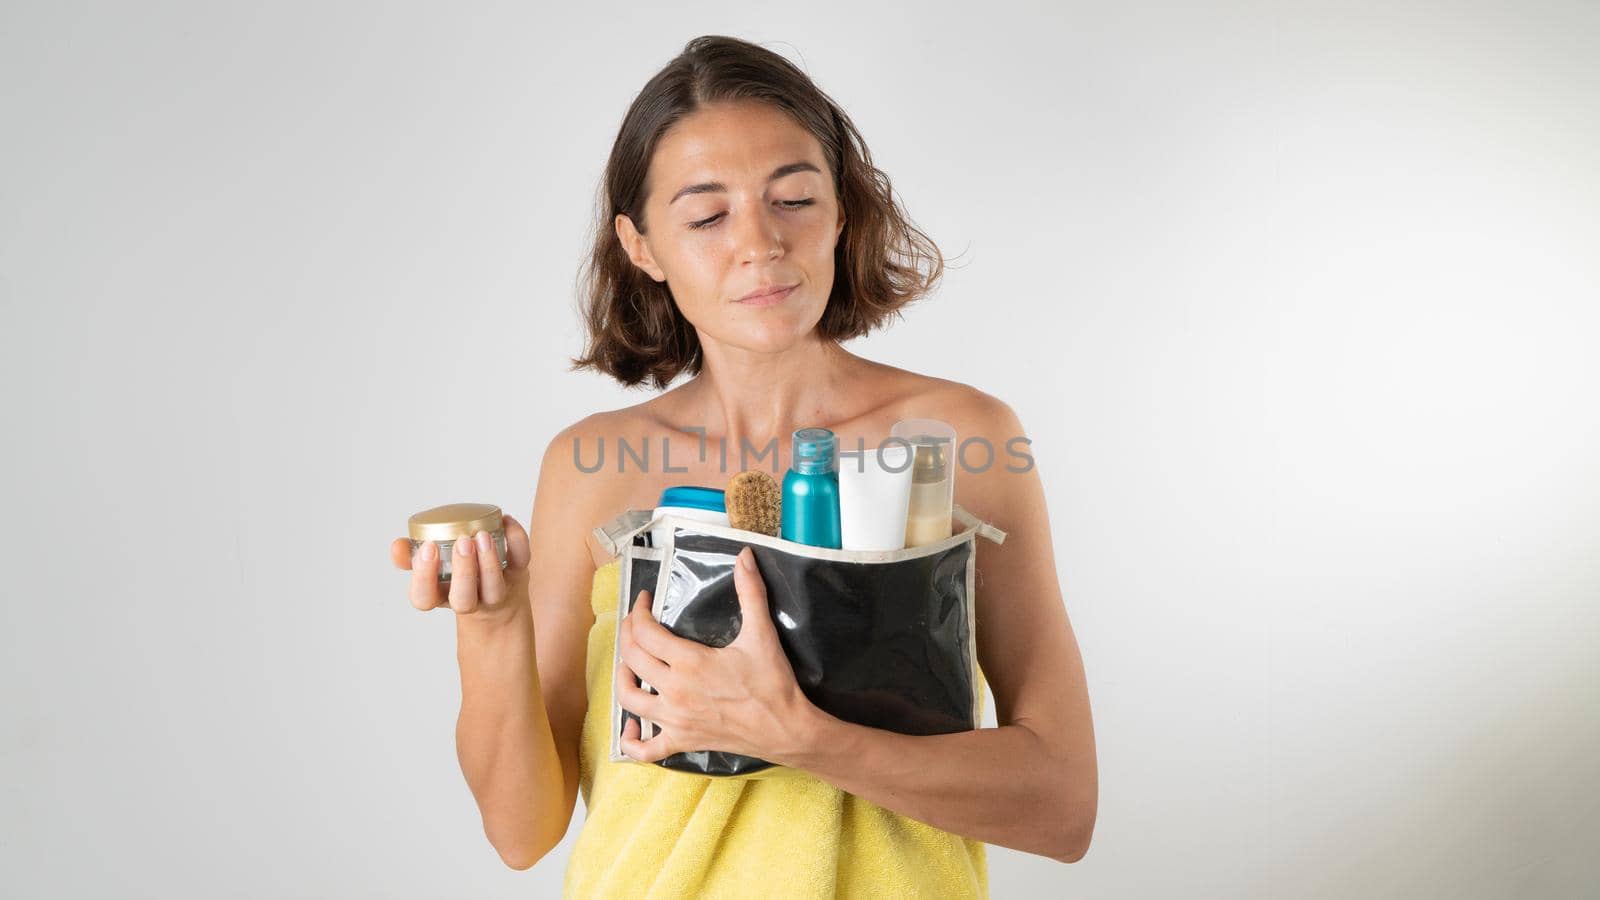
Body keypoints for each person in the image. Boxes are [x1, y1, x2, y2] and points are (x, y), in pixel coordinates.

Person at [390, 34, 1097, 897]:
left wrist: (802, 735)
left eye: (794, 197)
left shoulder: (960, 441)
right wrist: (492, 629)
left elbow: (1063, 806)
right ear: (641, 245)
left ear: (843, 210)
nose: (759, 244)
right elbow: (520, 832)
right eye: (706, 216)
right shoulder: (590, 467)